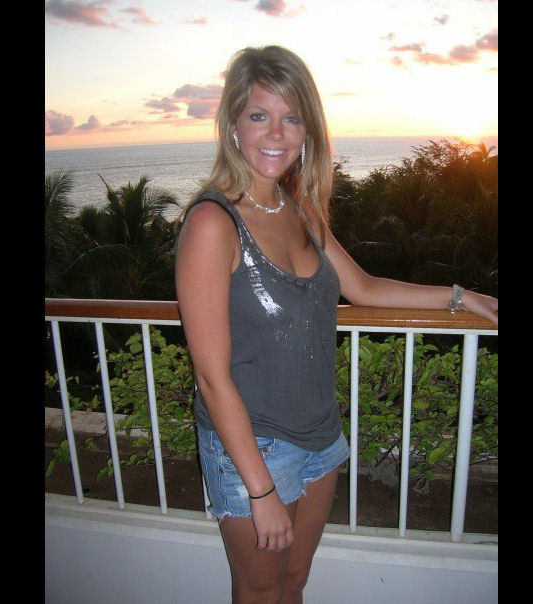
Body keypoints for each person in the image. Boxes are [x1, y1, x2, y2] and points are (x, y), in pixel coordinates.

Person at [175, 45, 498, 604]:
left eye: (292, 118)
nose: (276, 134)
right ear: (232, 124)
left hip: (322, 438)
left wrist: (460, 296)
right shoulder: (212, 223)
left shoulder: (297, 207)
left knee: (294, 582)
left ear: (308, 131)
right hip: (253, 450)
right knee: (260, 591)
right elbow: (211, 377)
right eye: (259, 115)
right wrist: (261, 491)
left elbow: (364, 287)